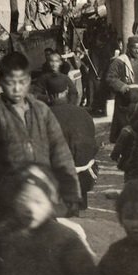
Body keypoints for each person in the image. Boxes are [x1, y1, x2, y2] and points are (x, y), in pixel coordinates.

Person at [0, 52, 82, 227]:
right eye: (10, 82)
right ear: (0, 81)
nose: (17, 89)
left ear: (29, 80)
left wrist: (71, 191)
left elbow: (60, 151)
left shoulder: (42, 111)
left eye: (22, 82)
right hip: (5, 206)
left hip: (41, 201)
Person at [45, 74, 99, 211]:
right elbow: (93, 144)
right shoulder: (83, 113)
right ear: (66, 91)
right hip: (83, 177)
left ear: (48, 94)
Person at [106, 36, 138, 143]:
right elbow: (110, 78)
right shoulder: (119, 61)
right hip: (125, 99)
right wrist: (123, 87)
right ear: (128, 48)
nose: (137, 51)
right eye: (134, 48)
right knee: (124, 124)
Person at [110, 86, 138, 183]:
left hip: (130, 161)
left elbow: (119, 145)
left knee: (130, 180)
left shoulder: (127, 130)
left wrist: (115, 155)